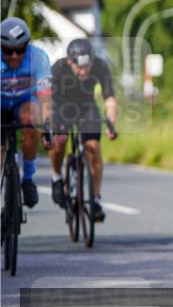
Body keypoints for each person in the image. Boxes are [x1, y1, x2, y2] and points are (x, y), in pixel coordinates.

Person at [47, 38, 118, 221]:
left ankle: (95, 199)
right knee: (60, 140)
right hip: (61, 106)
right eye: (79, 67)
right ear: (69, 61)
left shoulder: (100, 66)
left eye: (87, 66)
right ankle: (56, 177)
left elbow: (109, 98)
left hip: (87, 107)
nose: (84, 71)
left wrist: (111, 123)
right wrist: (47, 125)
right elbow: (46, 101)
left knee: (93, 147)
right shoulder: (58, 68)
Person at [1, 17, 53, 208]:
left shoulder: (38, 57)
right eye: (7, 50)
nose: (14, 55)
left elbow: (46, 98)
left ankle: (28, 179)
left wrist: (47, 127)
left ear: (27, 45)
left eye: (19, 50)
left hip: (24, 102)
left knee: (32, 120)